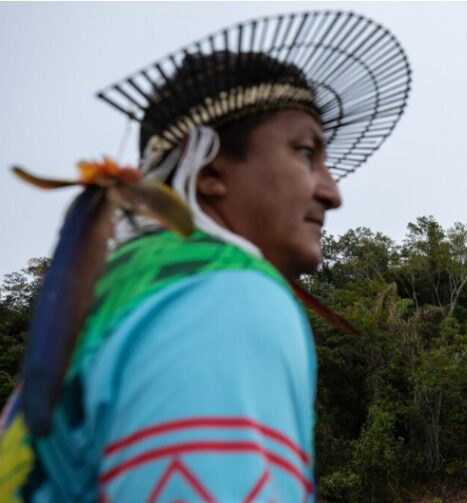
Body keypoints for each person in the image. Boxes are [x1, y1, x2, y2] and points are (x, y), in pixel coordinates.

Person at [0, 10, 410, 502]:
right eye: (305, 152)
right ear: (210, 170)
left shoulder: (122, 291)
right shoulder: (223, 295)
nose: (332, 191)